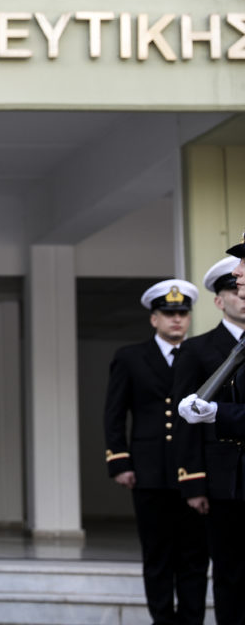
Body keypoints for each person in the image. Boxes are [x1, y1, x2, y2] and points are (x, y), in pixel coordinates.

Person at [104, 278, 209, 625]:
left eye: (182, 313)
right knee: (158, 555)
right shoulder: (131, 357)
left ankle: (191, 620)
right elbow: (115, 413)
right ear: (154, 319)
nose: (176, 319)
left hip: (194, 472)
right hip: (148, 472)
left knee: (195, 556)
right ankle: (162, 620)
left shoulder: (202, 354)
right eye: (168, 313)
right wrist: (119, 460)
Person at [174, 256, 245, 625]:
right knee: (229, 569)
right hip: (220, 477)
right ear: (219, 301)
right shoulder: (198, 350)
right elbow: (186, 422)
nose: (241, 295)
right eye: (233, 289)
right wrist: (193, 479)